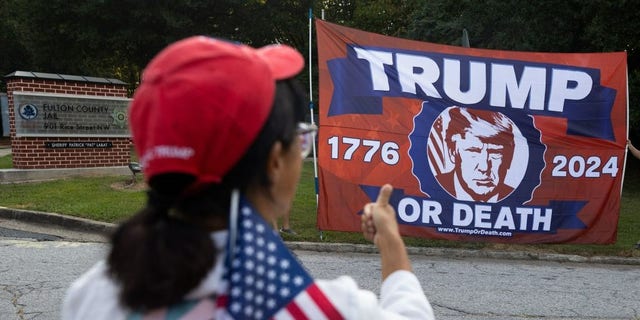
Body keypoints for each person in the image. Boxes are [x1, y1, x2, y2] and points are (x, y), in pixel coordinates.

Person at [62, 36, 434, 319]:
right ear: (274, 161)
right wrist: (390, 240)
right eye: (301, 138)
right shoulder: (318, 308)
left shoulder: (91, 296)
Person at [437, 106, 516, 203]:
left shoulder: (520, 198)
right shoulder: (431, 188)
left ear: (509, 158)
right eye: (473, 151)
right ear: (453, 152)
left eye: (495, 152)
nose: (484, 167)